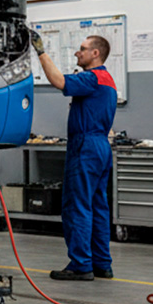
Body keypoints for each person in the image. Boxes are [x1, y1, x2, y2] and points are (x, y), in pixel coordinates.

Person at [30, 31, 117, 281]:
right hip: (101, 146)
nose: (78, 53)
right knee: (97, 206)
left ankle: (81, 265)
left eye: (82, 48)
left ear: (95, 53)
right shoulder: (108, 80)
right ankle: (102, 264)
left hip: (85, 147)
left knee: (76, 205)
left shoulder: (91, 78)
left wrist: (40, 52)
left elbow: (59, 81)